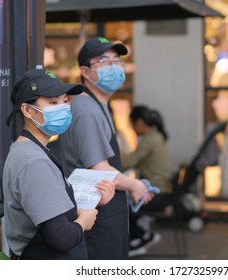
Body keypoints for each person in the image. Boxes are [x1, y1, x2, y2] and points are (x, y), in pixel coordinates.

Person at [2, 68, 116, 260]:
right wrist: (84, 221)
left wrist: (88, 202)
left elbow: (49, 207)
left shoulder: (28, 149)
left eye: (64, 101)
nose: (62, 108)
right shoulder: (34, 162)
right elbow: (61, 237)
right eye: (53, 102)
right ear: (27, 110)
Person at [60, 37, 153, 260]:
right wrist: (134, 185)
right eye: (104, 61)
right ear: (85, 71)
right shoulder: (85, 109)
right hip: (97, 214)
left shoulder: (99, 104)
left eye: (116, 61)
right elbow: (99, 168)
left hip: (109, 210)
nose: (113, 67)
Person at [121, 105, 172, 257]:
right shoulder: (157, 136)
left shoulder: (148, 140)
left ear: (140, 123)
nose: (132, 129)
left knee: (120, 207)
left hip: (156, 194)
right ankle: (140, 237)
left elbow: (128, 163)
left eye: (132, 125)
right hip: (164, 191)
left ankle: (142, 236)